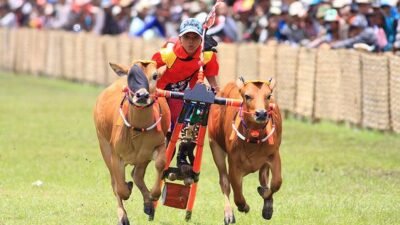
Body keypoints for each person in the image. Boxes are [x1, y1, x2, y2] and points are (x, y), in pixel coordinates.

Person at [151, 18, 219, 181]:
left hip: (180, 95)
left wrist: (215, 93)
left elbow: (213, 82)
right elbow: (149, 69)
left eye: (195, 38)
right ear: (180, 38)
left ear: (201, 40)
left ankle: (183, 157)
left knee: (195, 118)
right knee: (167, 130)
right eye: (187, 37)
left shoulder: (206, 56)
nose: (191, 42)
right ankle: (163, 158)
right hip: (160, 93)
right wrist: (156, 73)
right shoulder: (167, 54)